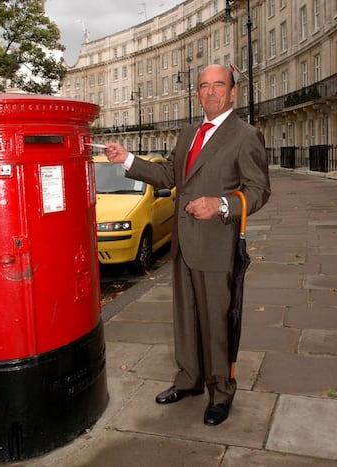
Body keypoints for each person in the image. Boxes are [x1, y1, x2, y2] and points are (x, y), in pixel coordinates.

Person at [104, 64, 271, 426]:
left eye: (218, 86)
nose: (211, 92)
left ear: (232, 93)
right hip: (184, 245)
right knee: (185, 318)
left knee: (215, 322)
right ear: (197, 93)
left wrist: (221, 204)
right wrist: (127, 159)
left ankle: (221, 392)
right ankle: (190, 379)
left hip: (216, 245)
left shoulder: (245, 135)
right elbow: (168, 176)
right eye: (204, 87)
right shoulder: (188, 133)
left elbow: (259, 191)